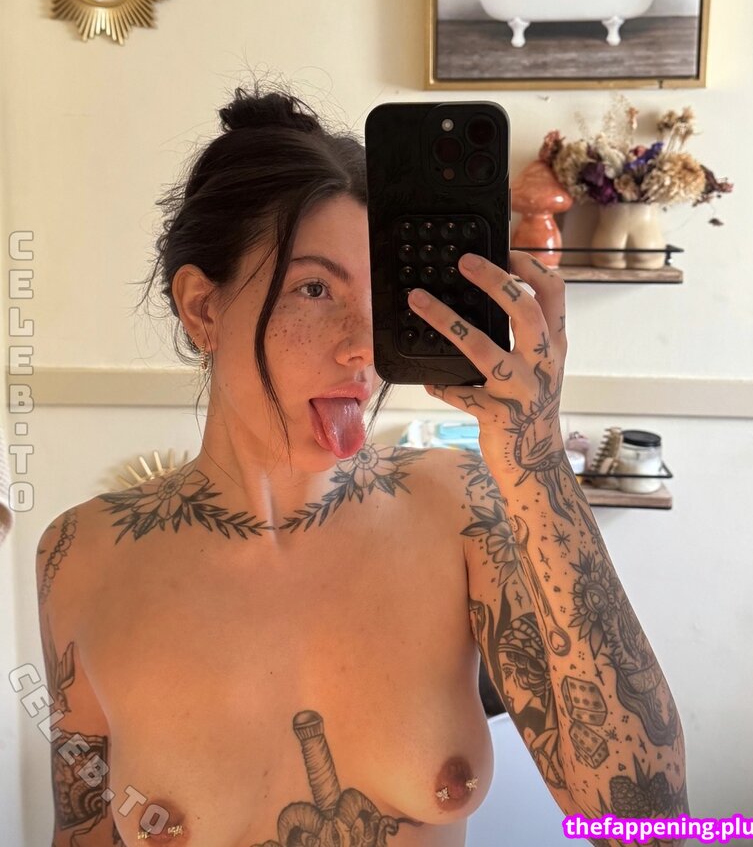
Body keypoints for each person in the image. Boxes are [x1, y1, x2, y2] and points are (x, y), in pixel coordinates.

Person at [36, 85, 688, 847]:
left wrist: (536, 461)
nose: (360, 347)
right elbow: (82, 833)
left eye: (380, 298)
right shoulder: (81, 559)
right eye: (314, 290)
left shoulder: (460, 510)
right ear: (203, 309)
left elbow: (650, 826)